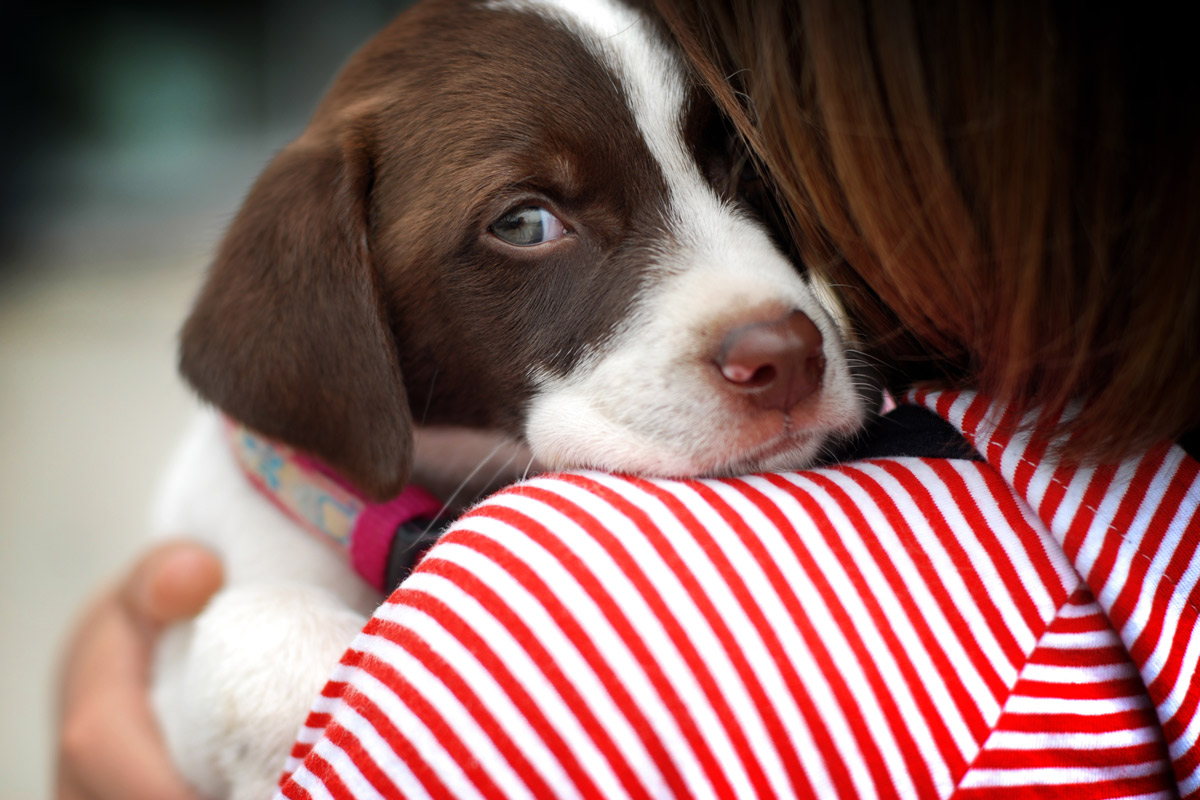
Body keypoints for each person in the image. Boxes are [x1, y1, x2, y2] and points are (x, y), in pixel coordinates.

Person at [57, 0, 1199, 797]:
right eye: (525, 223)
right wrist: (239, 660)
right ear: (333, 297)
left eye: (742, 171)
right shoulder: (256, 484)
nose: (766, 321)